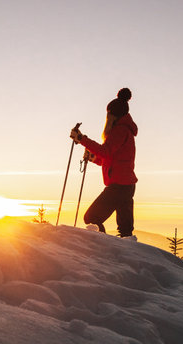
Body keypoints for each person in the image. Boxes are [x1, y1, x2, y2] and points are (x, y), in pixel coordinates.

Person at [70, 88, 138, 238]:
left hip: (119, 186)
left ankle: (103, 252)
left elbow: (105, 151)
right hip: (126, 186)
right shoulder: (125, 130)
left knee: (92, 218)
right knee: (125, 231)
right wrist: (93, 158)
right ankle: (122, 259)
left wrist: (82, 139)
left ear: (112, 115)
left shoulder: (120, 130)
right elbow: (110, 158)